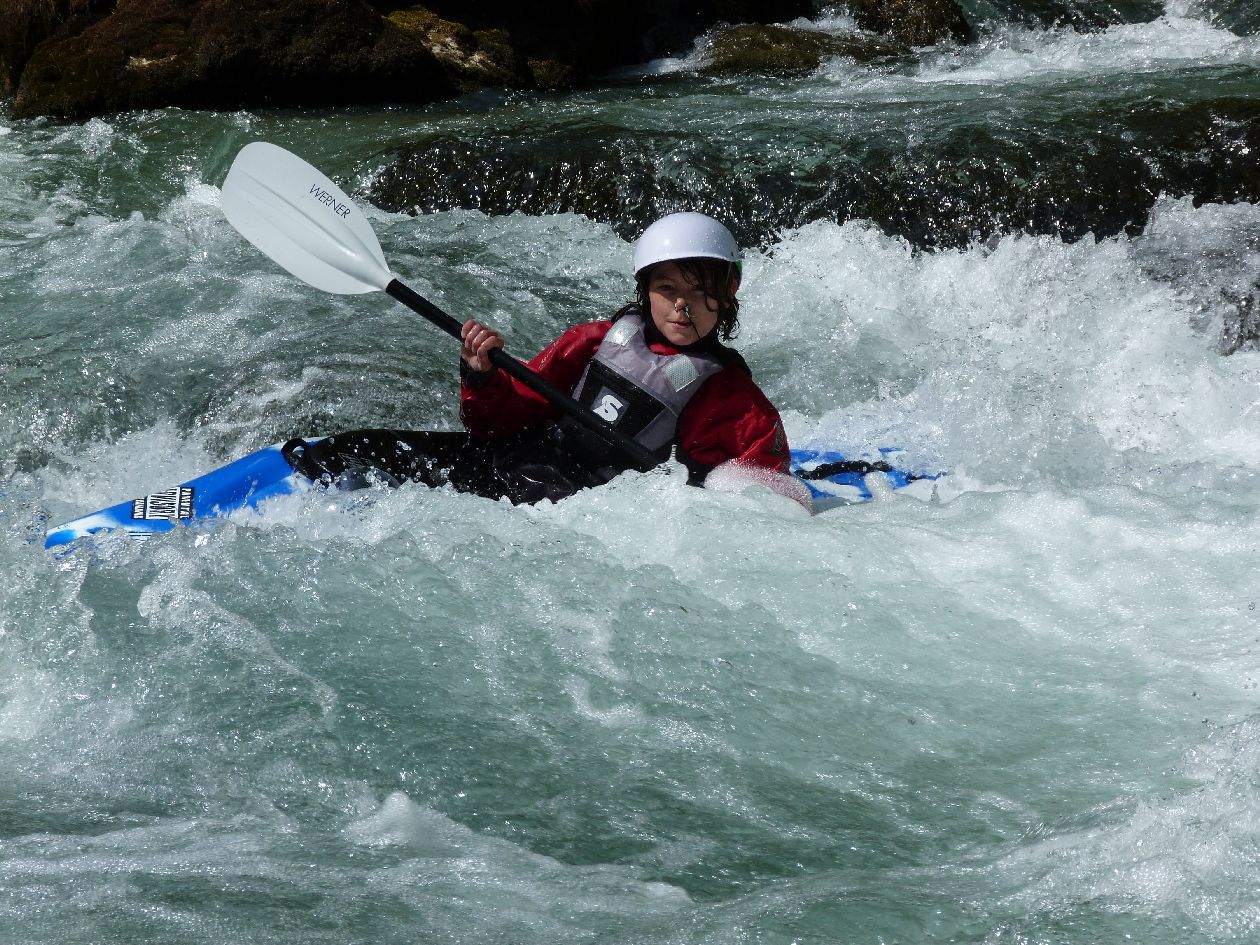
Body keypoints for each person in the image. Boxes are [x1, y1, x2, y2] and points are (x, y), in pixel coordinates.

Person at [286, 212, 809, 509]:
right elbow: (496, 423)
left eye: (698, 291)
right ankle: (249, 503)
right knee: (352, 451)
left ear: (728, 291)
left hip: (581, 507)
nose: (681, 307)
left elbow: (761, 504)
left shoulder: (733, 399)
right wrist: (482, 376)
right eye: (667, 288)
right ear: (645, 289)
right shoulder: (595, 341)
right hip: (519, 463)